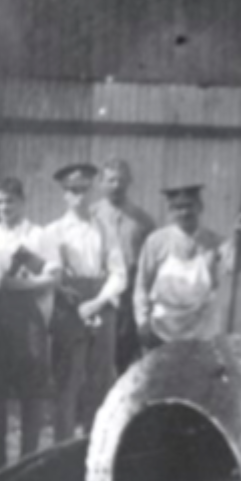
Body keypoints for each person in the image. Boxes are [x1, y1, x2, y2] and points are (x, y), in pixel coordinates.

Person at [0, 177, 58, 471]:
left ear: (22, 202)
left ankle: (28, 460)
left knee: (30, 389)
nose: (3, 208)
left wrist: (21, 286)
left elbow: (53, 276)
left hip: (28, 316)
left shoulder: (39, 235)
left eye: (9, 201)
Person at [47, 163, 128, 443]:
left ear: (91, 190)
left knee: (100, 382)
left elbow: (119, 273)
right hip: (68, 307)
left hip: (102, 303)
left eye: (84, 189)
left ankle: (92, 450)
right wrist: (72, 297)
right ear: (64, 194)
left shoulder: (105, 229)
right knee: (68, 382)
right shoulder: (54, 231)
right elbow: (51, 275)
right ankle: (62, 450)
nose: (79, 196)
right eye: (73, 190)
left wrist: (99, 301)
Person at [134, 184, 241, 350]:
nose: (184, 212)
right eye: (177, 207)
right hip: (162, 331)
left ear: (200, 207)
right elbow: (142, 286)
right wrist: (142, 321)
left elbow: (236, 266)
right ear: (170, 211)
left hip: (202, 332)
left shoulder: (214, 241)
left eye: (189, 206)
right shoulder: (156, 242)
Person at [93, 159, 156, 373]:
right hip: (98, 292)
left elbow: (152, 263)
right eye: (110, 180)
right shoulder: (90, 216)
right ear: (100, 183)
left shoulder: (143, 221)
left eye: (121, 180)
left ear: (130, 182)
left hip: (129, 295)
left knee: (126, 353)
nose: (116, 185)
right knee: (95, 355)